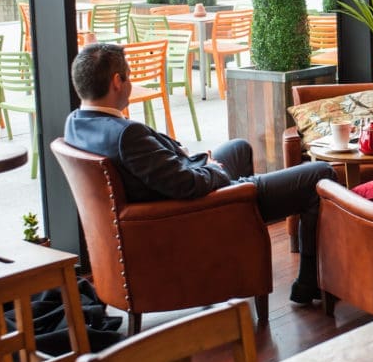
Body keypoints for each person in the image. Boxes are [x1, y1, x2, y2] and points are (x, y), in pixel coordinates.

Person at [64, 42, 334, 306]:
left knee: (238, 148)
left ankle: (234, 250)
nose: (130, 84)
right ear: (116, 82)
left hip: (171, 195)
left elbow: (162, 173)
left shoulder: (76, 123)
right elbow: (187, 185)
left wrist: (197, 161)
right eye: (129, 77)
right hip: (193, 211)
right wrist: (213, 170)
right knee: (318, 174)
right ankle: (309, 282)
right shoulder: (126, 135)